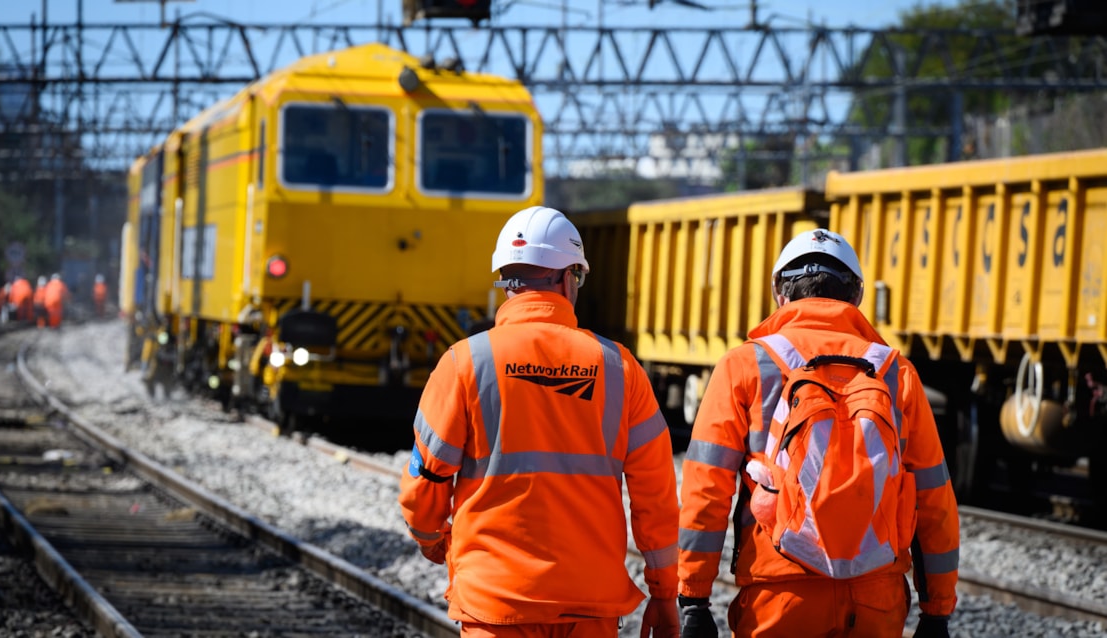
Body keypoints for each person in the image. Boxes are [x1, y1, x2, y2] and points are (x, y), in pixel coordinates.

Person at [398, 205, 681, 638]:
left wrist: (431, 537)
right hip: (590, 602)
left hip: (495, 600)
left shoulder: (464, 363)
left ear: (506, 281)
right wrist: (663, 590)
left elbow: (425, 479)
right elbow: (656, 495)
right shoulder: (619, 368)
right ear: (570, 278)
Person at [677, 228, 959, 638]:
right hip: (875, 597)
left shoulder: (744, 366)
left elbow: (706, 490)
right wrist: (937, 612)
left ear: (780, 293)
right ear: (856, 297)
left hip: (779, 593)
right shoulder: (898, 374)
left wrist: (693, 598)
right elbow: (935, 501)